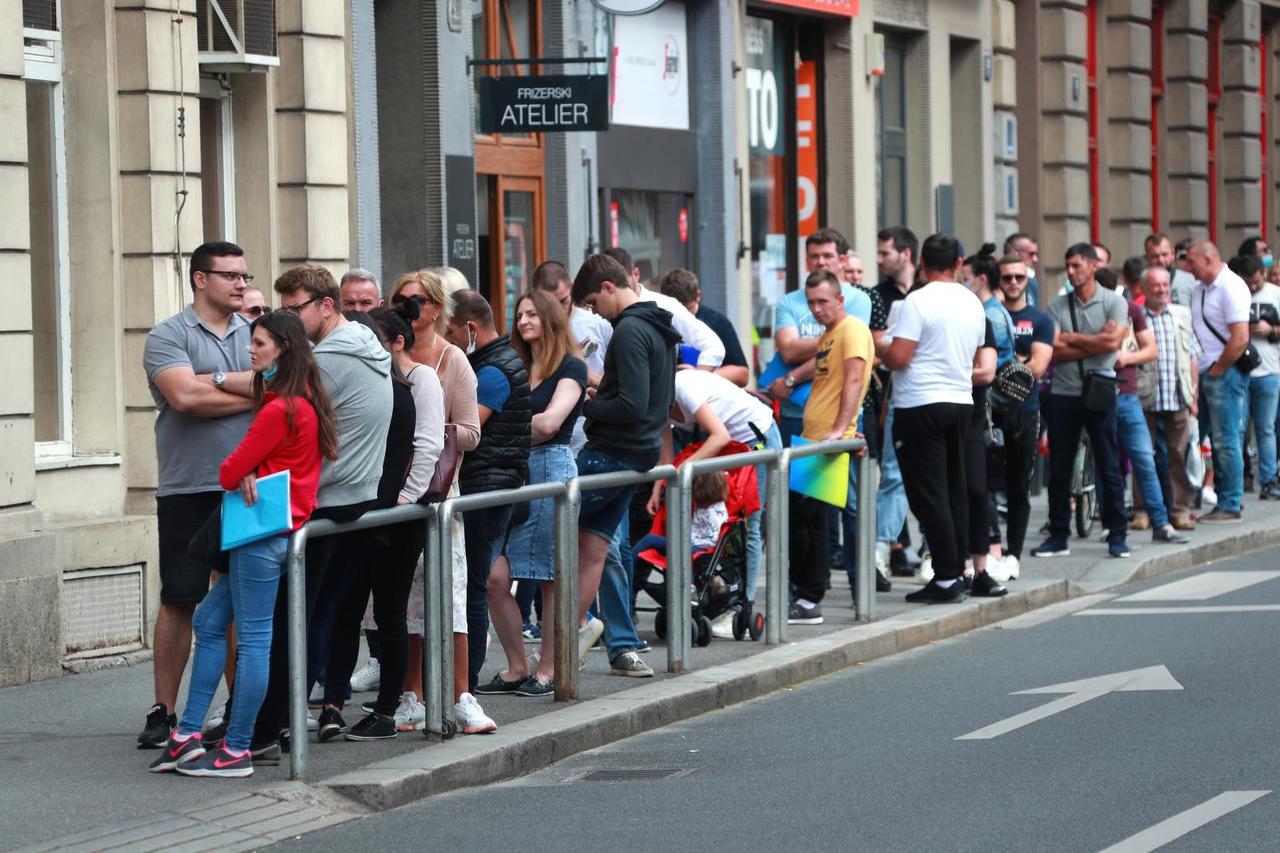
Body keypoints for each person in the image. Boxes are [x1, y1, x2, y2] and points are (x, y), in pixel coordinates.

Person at [149, 310, 338, 777]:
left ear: (284, 350)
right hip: (272, 531)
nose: (250, 351)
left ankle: (237, 749)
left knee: (254, 643)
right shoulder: (302, 398)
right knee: (212, 622)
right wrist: (250, 468)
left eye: (259, 344)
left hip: (262, 534)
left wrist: (247, 470)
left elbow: (229, 471)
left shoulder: (280, 408)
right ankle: (187, 735)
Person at [250, 265, 392, 759]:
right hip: (355, 499)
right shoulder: (366, 343)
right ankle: (282, 720)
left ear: (326, 307)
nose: (285, 320)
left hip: (320, 503)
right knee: (316, 616)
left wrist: (222, 378)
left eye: (294, 310)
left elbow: (274, 416)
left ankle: (266, 727)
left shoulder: (325, 360)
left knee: (288, 620)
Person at [318, 300, 453, 742]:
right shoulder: (375, 386)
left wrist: (402, 500)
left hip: (395, 515)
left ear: (393, 342)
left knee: (388, 613)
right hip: (363, 511)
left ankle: (387, 711)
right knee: (346, 610)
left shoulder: (416, 382)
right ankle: (333, 705)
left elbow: (429, 446)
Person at [139, 241, 255, 749]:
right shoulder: (168, 335)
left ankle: (236, 710)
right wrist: (246, 388)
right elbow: (183, 397)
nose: (241, 285)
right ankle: (163, 709)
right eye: (230, 275)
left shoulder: (257, 334)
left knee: (236, 601)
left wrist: (214, 383)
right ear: (200, 279)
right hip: (187, 484)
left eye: (245, 276)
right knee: (180, 598)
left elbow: (283, 388)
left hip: (247, 484)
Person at [571, 253, 680, 676]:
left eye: (595, 305)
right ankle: (574, 636)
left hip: (611, 451)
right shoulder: (659, 324)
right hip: (640, 452)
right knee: (596, 549)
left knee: (556, 542)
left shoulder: (631, 329)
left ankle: (555, 650)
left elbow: (632, 403)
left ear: (609, 288)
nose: (597, 314)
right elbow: (653, 402)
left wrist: (588, 408)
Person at [477, 290, 586, 697]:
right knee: (493, 576)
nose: (523, 321)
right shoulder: (517, 366)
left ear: (550, 318)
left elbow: (550, 424)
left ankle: (550, 668)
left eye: (531, 314)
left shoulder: (571, 366)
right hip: (514, 472)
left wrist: (502, 430)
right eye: (519, 314)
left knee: (549, 578)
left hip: (551, 469)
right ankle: (516, 666)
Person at [386, 270, 482, 730]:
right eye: (403, 300)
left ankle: (463, 694)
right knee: (405, 599)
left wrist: (427, 430)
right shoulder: (385, 354)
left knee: (452, 595)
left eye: (421, 300)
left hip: (440, 492)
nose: (412, 308)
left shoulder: (453, 359)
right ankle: (412, 694)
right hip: (391, 488)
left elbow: (471, 433)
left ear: (439, 307)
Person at [877, 234, 987, 603]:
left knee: (928, 494)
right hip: (960, 401)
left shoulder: (916, 301)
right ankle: (957, 570)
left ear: (921, 264)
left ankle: (944, 577)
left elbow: (901, 357)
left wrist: (883, 349)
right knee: (954, 488)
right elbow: (973, 354)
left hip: (920, 403)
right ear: (958, 263)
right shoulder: (973, 302)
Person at [443, 289, 532, 695]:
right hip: (491, 483)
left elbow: (470, 430)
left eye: (451, 331)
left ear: (471, 328)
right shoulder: (495, 361)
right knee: (482, 582)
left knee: (473, 586)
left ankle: (468, 680)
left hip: (487, 487)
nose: (447, 340)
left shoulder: (494, 370)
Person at [647, 368, 781, 634]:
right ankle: (711, 591)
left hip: (755, 437)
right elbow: (666, 452)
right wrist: (658, 486)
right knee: (713, 518)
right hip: (723, 445)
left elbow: (721, 435)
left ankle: (743, 603)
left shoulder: (683, 388)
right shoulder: (655, 400)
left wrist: (683, 468)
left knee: (747, 522)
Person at [1031, 244, 1130, 559]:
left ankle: (1117, 535)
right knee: (1059, 468)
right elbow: (1053, 349)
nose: (1071, 272)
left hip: (1100, 393)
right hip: (1064, 393)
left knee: (1108, 466)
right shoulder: (1057, 306)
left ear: (1091, 267)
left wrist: (1072, 339)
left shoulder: (1114, 302)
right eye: (1068, 266)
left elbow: (1113, 343)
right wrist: (1095, 343)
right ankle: (1058, 534)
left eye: (1076, 266)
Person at [788, 269, 875, 623]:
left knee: (821, 521)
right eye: (811, 303)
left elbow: (855, 379)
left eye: (823, 301)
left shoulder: (852, 329)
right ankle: (810, 595)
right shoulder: (830, 334)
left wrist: (841, 429)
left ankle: (813, 599)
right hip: (815, 437)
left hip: (830, 441)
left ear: (840, 300)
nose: (816, 308)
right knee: (807, 520)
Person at [1095, 267, 1188, 545]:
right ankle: (1111, 524)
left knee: (1144, 459)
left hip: (1127, 393)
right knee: (1105, 463)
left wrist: (1126, 357)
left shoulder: (1131, 311)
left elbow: (1151, 350)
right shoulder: (1089, 312)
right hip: (1097, 393)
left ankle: (1160, 523)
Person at [988, 254, 1054, 575]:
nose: (1013, 283)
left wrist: (1001, 368)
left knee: (1017, 486)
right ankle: (990, 551)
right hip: (988, 412)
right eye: (1007, 278)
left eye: (1019, 277)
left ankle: (1013, 555)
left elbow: (1037, 368)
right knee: (984, 484)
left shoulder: (1040, 320)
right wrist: (1017, 362)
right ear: (997, 281)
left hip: (1024, 412)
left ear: (1027, 280)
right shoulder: (988, 315)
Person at [1187, 240, 1252, 522]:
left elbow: (1240, 338)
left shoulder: (1231, 286)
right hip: (1204, 372)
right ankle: (1203, 495)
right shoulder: (1200, 289)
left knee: (1226, 440)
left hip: (1223, 373)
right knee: (1195, 438)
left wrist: (1217, 369)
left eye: (1192, 262)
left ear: (1208, 259)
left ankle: (1230, 502)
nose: (1188, 268)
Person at [1140, 265, 1201, 529]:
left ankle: (1179, 510)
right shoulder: (1135, 316)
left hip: (1177, 396)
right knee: (1143, 455)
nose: (1162, 290)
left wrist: (1194, 396)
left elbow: (1193, 357)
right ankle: (1142, 511)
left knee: (1178, 455)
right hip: (1145, 397)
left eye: (1165, 285)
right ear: (1144, 289)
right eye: (1156, 285)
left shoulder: (1181, 314)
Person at [603, 247, 725, 370]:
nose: (617, 292)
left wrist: (693, 379)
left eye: (623, 283)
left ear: (636, 274)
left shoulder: (665, 305)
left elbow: (713, 345)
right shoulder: (599, 314)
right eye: (609, 288)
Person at [1234, 254, 1280, 499]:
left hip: (1269, 371)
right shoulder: (1236, 292)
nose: (1252, 287)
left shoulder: (1275, 294)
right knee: (1238, 429)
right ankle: (1241, 478)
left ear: (1263, 274)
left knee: (1265, 429)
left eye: (1255, 282)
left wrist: (1271, 329)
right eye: (1247, 282)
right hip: (1240, 370)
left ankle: (1269, 480)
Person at [658, 268, 750, 387]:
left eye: (687, 310)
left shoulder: (717, 322)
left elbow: (742, 374)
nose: (683, 319)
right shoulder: (658, 324)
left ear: (698, 296)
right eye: (675, 313)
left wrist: (699, 373)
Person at [1143, 232, 1196, 306]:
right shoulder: (1141, 284)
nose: (1160, 260)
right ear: (1146, 258)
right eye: (1155, 256)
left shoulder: (1189, 280)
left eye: (1164, 254)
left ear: (1173, 253)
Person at [1003, 232, 1041, 308]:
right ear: (1014, 253)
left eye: (1036, 254)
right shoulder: (996, 284)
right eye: (1031, 254)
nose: (1035, 259)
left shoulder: (1032, 283)